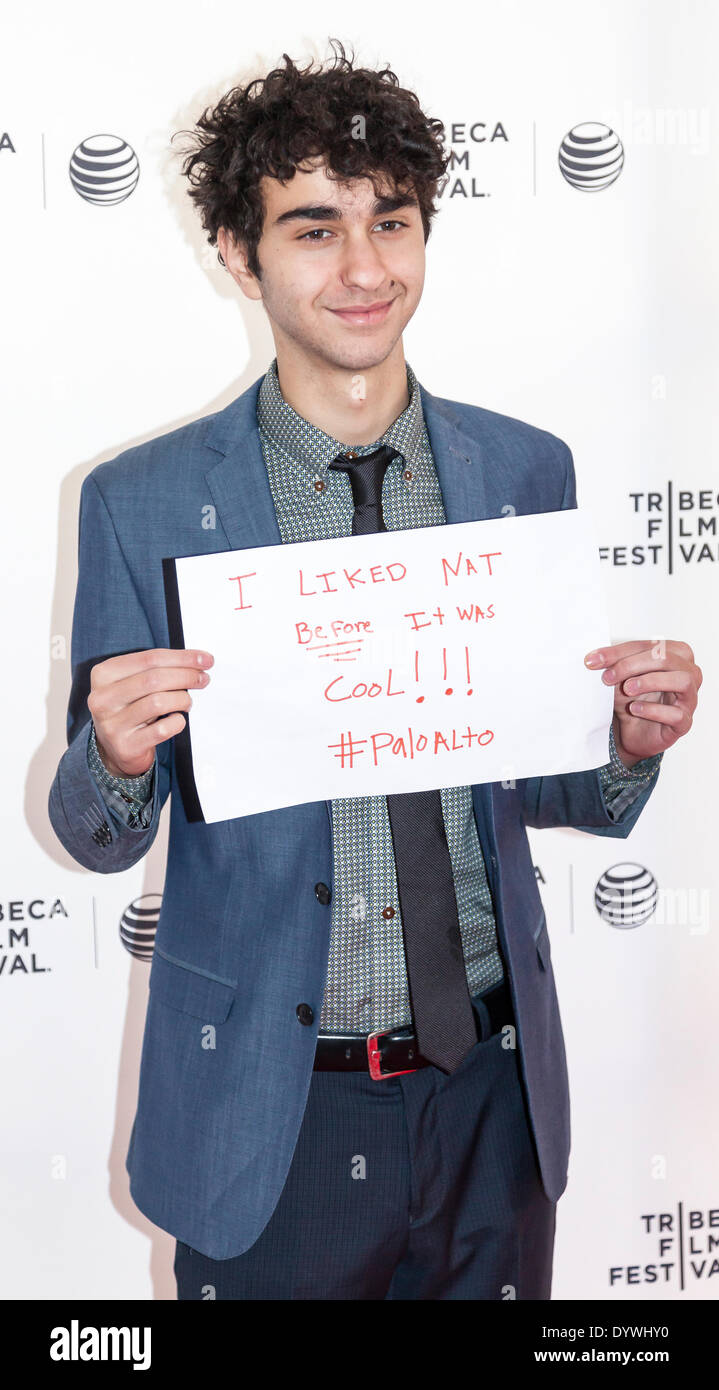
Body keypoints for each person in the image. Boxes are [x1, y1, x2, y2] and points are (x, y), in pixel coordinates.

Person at [48, 39, 702, 1300]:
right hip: (273, 1120)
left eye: (389, 222)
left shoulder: (521, 472)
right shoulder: (144, 502)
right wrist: (116, 757)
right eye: (311, 228)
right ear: (238, 255)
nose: (363, 269)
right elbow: (96, 834)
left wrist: (622, 741)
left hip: (491, 1106)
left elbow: (542, 774)